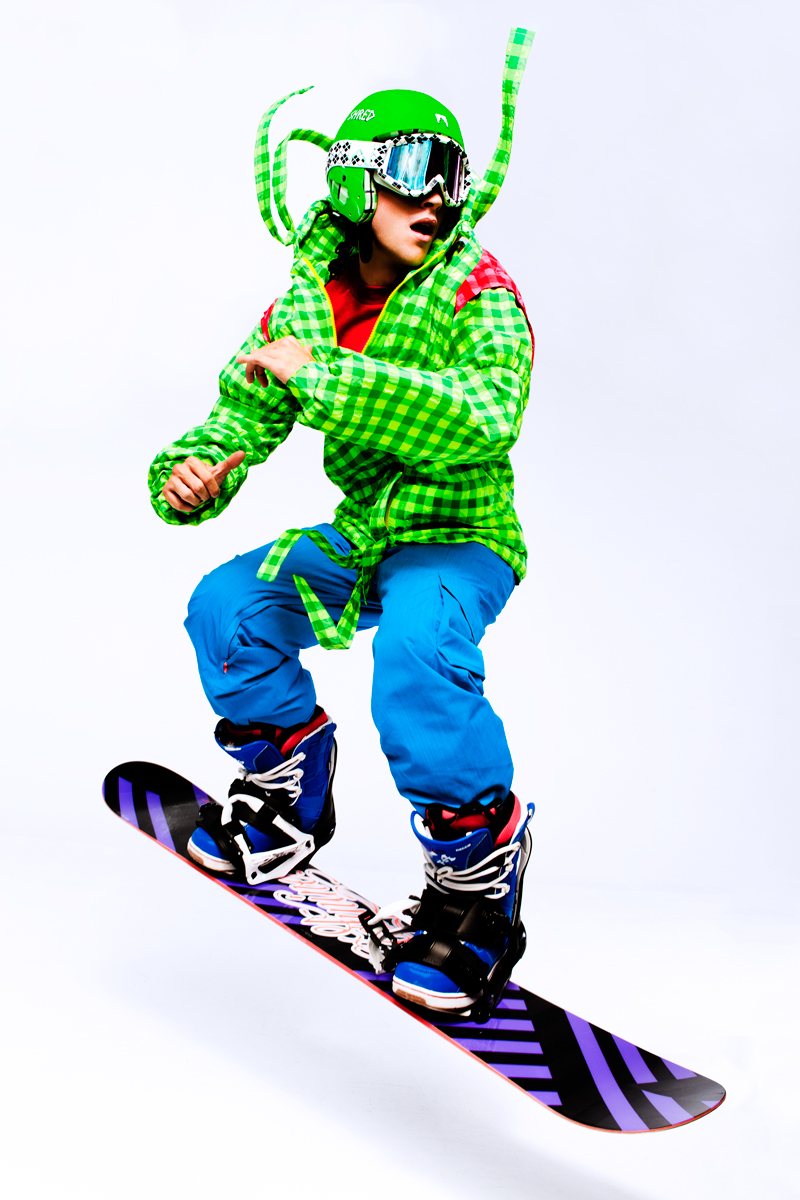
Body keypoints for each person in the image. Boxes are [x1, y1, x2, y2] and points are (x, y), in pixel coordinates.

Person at [148, 28, 535, 1018]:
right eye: (413, 172)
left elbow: (483, 414)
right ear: (356, 182)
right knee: (227, 607)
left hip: (459, 536)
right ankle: (286, 785)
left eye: (451, 176)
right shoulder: (306, 301)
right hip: (366, 532)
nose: (436, 198)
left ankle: (475, 884)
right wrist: (199, 469)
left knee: (415, 651)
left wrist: (325, 377)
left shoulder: (478, 292)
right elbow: (246, 407)